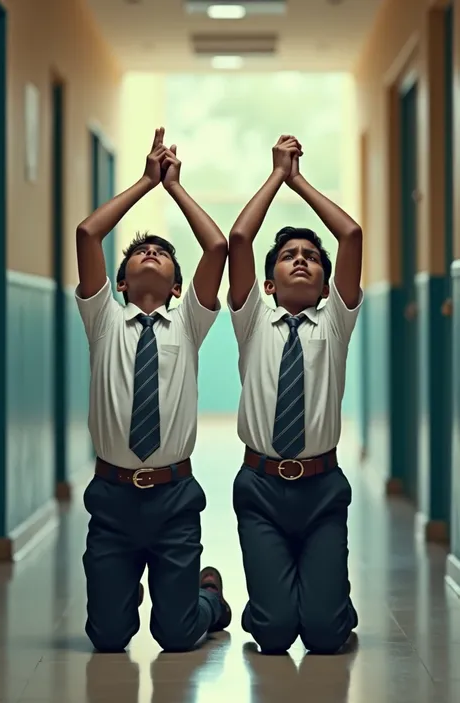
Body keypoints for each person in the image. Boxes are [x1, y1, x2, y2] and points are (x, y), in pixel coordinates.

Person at [75, 127, 231, 653]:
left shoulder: (189, 323)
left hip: (173, 497)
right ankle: (166, 596)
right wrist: (146, 182)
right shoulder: (104, 320)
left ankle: (207, 595)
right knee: (109, 638)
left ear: (177, 287)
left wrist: (174, 189)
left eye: (163, 254)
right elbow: (88, 234)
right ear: (119, 283)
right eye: (141, 252)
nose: (151, 254)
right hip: (113, 497)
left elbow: (217, 246)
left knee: (178, 635)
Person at [228, 134, 363, 655]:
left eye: (311, 257)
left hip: (322, 487)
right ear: (267, 283)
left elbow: (350, 234)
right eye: (288, 257)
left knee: (327, 637)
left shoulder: (335, 324)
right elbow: (240, 240)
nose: (301, 261)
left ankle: (328, 598)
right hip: (260, 488)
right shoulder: (252, 323)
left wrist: (299, 180)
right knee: (275, 635)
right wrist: (275, 177)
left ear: (329, 285)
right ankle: (264, 598)